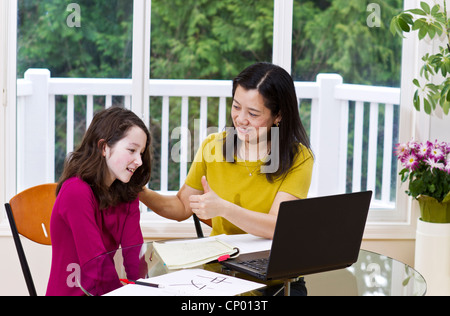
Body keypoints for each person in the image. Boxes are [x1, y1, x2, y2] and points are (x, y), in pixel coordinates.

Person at [140, 62, 314, 239]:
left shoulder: (299, 158)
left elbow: (277, 227)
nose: (241, 119)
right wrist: (140, 191)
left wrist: (224, 208)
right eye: (236, 107)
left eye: (253, 114)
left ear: (278, 115)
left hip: (269, 261)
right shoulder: (213, 147)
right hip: (223, 260)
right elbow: (182, 206)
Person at [46, 107, 152, 296]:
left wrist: (146, 290)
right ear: (104, 147)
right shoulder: (76, 192)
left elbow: (134, 257)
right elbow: (96, 266)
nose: (139, 161)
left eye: (141, 153)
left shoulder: (127, 195)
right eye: (132, 150)